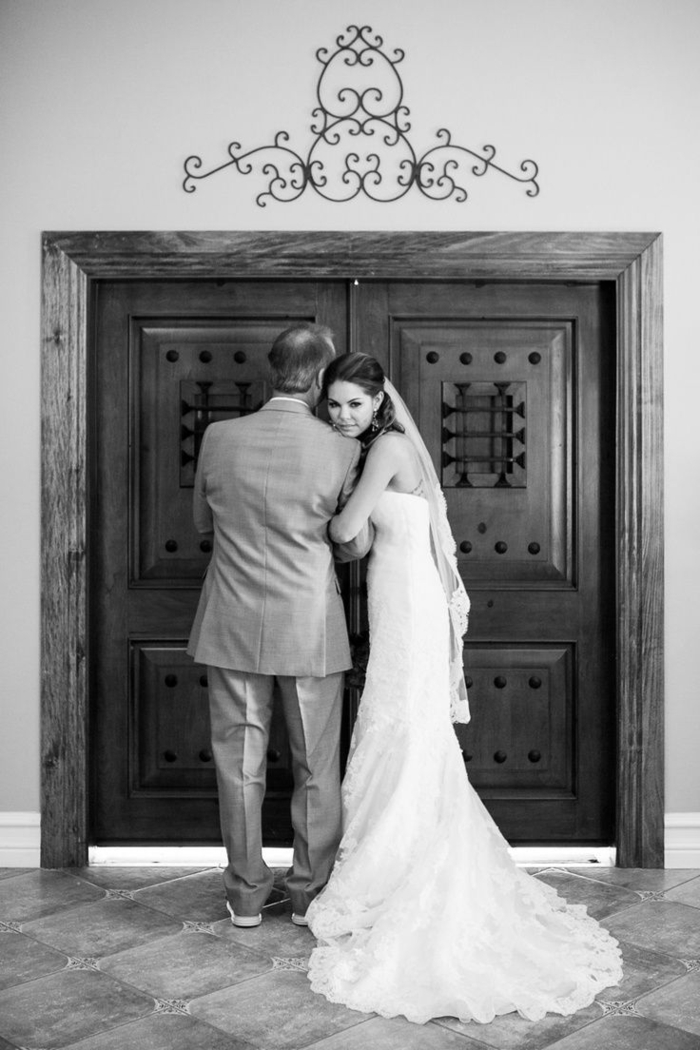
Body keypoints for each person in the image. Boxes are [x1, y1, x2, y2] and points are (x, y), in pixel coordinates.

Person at [305, 353, 623, 1025]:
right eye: (332, 404)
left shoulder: (387, 446)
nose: (342, 415)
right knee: (402, 724)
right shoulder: (382, 447)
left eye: (353, 404)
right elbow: (361, 538)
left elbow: (344, 531)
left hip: (409, 607)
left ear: (377, 403)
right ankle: (400, 854)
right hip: (402, 599)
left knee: (402, 723)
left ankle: (399, 868)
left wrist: (337, 514)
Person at [187, 324, 373, 929]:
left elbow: (201, 526)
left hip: (231, 621)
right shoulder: (342, 448)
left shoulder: (219, 436)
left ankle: (245, 895)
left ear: (273, 372)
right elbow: (351, 546)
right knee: (316, 766)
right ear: (321, 380)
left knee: (238, 764)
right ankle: (306, 895)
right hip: (310, 627)